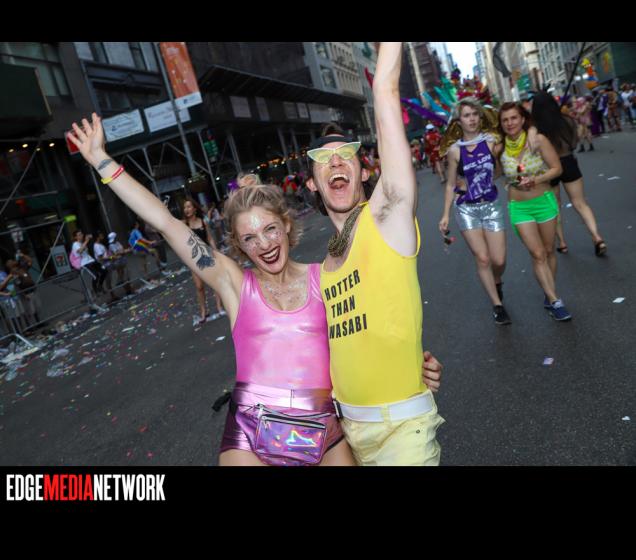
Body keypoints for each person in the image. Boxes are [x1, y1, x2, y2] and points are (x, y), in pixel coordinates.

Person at [67, 112, 445, 467]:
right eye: (249, 238)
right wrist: (102, 161)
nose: (264, 244)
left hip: (325, 428)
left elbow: (372, 330)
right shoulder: (235, 286)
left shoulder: (327, 277)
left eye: (269, 230)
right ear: (239, 245)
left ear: (286, 225)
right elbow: (166, 222)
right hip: (252, 429)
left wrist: (416, 367)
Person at [305, 42, 445, 466]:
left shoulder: (386, 218)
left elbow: (384, 89)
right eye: (323, 159)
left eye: (346, 155)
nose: (335, 163)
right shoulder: (322, 269)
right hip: (345, 438)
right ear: (312, 184)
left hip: (403, 431)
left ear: (364, 171)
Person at [497, 102, 572, 321]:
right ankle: (555, 300)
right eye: (505, 120)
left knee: (548, 251)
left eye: (514, 118)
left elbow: (557, 168)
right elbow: (494, 172)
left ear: (522, 119)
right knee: (537, 254)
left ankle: (549, 294)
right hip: (519, 207)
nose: (510, 123)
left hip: (544, 202)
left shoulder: (537, 140)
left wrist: (536, 179)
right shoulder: (499, 148)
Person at [439, 97, 510, 325]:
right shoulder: (454, 151)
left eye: (474, 114)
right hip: (466, 209)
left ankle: (497, 281)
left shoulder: (492, 143)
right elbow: (450, 184)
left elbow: (499, 171)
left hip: (491, 205)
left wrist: (482, 180)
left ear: (480, 117)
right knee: (482, 257)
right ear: (459, 121)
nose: (471, 119)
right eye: (466, 115)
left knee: (499, 259)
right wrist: (445, 215)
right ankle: (497, 305)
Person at [530, 92, 607, 257]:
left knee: (555, 206)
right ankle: (597, 236)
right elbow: (574, 142)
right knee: (580, 203)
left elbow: (533, 150)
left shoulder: (536, 128)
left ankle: (562, 243)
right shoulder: (566, 120)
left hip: (549, 167)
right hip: (568, 161)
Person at [182, 197, 225, 324]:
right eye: (185, 207)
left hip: (206, 255)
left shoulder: (202, 222)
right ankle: (203, 311)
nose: (186, 209)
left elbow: (209, 238)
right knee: (199, 287)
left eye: (189, 206)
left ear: (194, 209)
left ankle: (219, 307)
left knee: (214, 282)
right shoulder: (184, 225)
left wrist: (216, 251)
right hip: (193, 258)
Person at [70, 229, 108, 296]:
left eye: (81, 234)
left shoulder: (82, 243)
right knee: (95, 275)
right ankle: (95, 290)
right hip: (85, 263)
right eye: (79, 235)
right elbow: (80, 251)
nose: (81, 236)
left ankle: (100, 285)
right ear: (76, 237)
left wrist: (87, 239)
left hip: (91, 260)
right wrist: (86, 241)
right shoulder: (75, 244)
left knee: (104, 270)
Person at [92, 231, 118, 303]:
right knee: (108, 280)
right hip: (105, 265)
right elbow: (100, 258)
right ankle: (111, 296)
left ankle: (112, 295)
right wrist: (111, 257)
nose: (103, 236)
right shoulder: (97, 246)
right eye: (101, 235)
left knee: (109, 280)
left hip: (108, 264)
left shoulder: (100, 244)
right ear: (98, 237)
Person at [107, 232, 134, 296]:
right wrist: (126, 251)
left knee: (127, 274)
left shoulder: (117, 243)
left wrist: (126, 250)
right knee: (123, 276)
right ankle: (127, 290)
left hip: (123, 259)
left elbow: (122, 250)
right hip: (117, 262)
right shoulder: (111, 245)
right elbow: (116, 253)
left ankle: (129, 289)